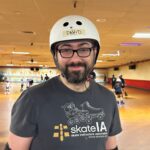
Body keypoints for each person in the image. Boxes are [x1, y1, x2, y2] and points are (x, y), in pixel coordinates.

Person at [8, 15, 122, 150]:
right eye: (66, 50)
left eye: (84, 49)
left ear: (95, 52)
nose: (75, 59)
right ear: (55, 55)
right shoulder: (31, 99)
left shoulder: (107, 98)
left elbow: (111, 147)